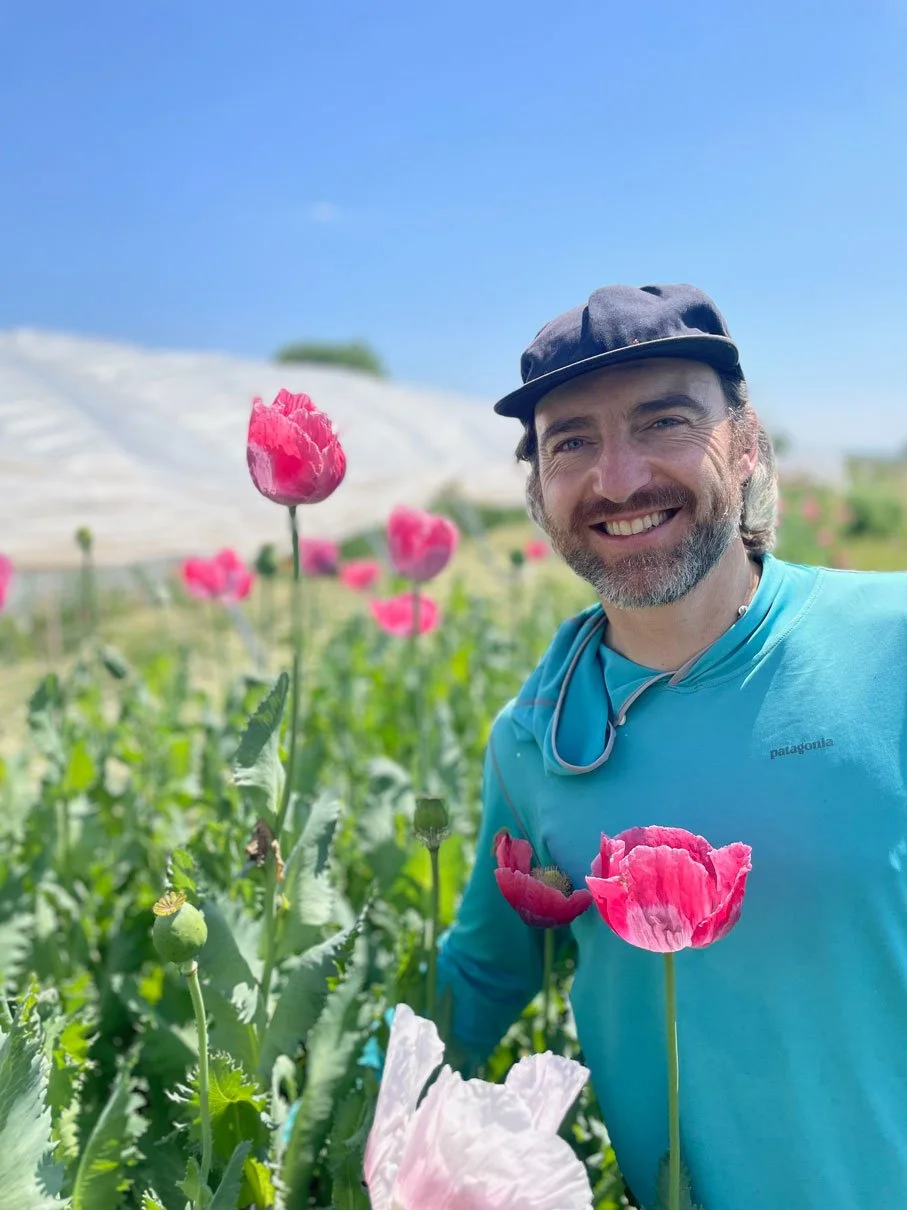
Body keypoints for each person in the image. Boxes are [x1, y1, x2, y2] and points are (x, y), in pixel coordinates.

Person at [437, 284, 907, 1209]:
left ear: (743, 440)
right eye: (571, 441)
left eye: (663, 423)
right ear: (538, 490)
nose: (617, 479)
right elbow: (488, 970)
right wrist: (310, 1123)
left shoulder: (890, 644)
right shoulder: (538, 741)